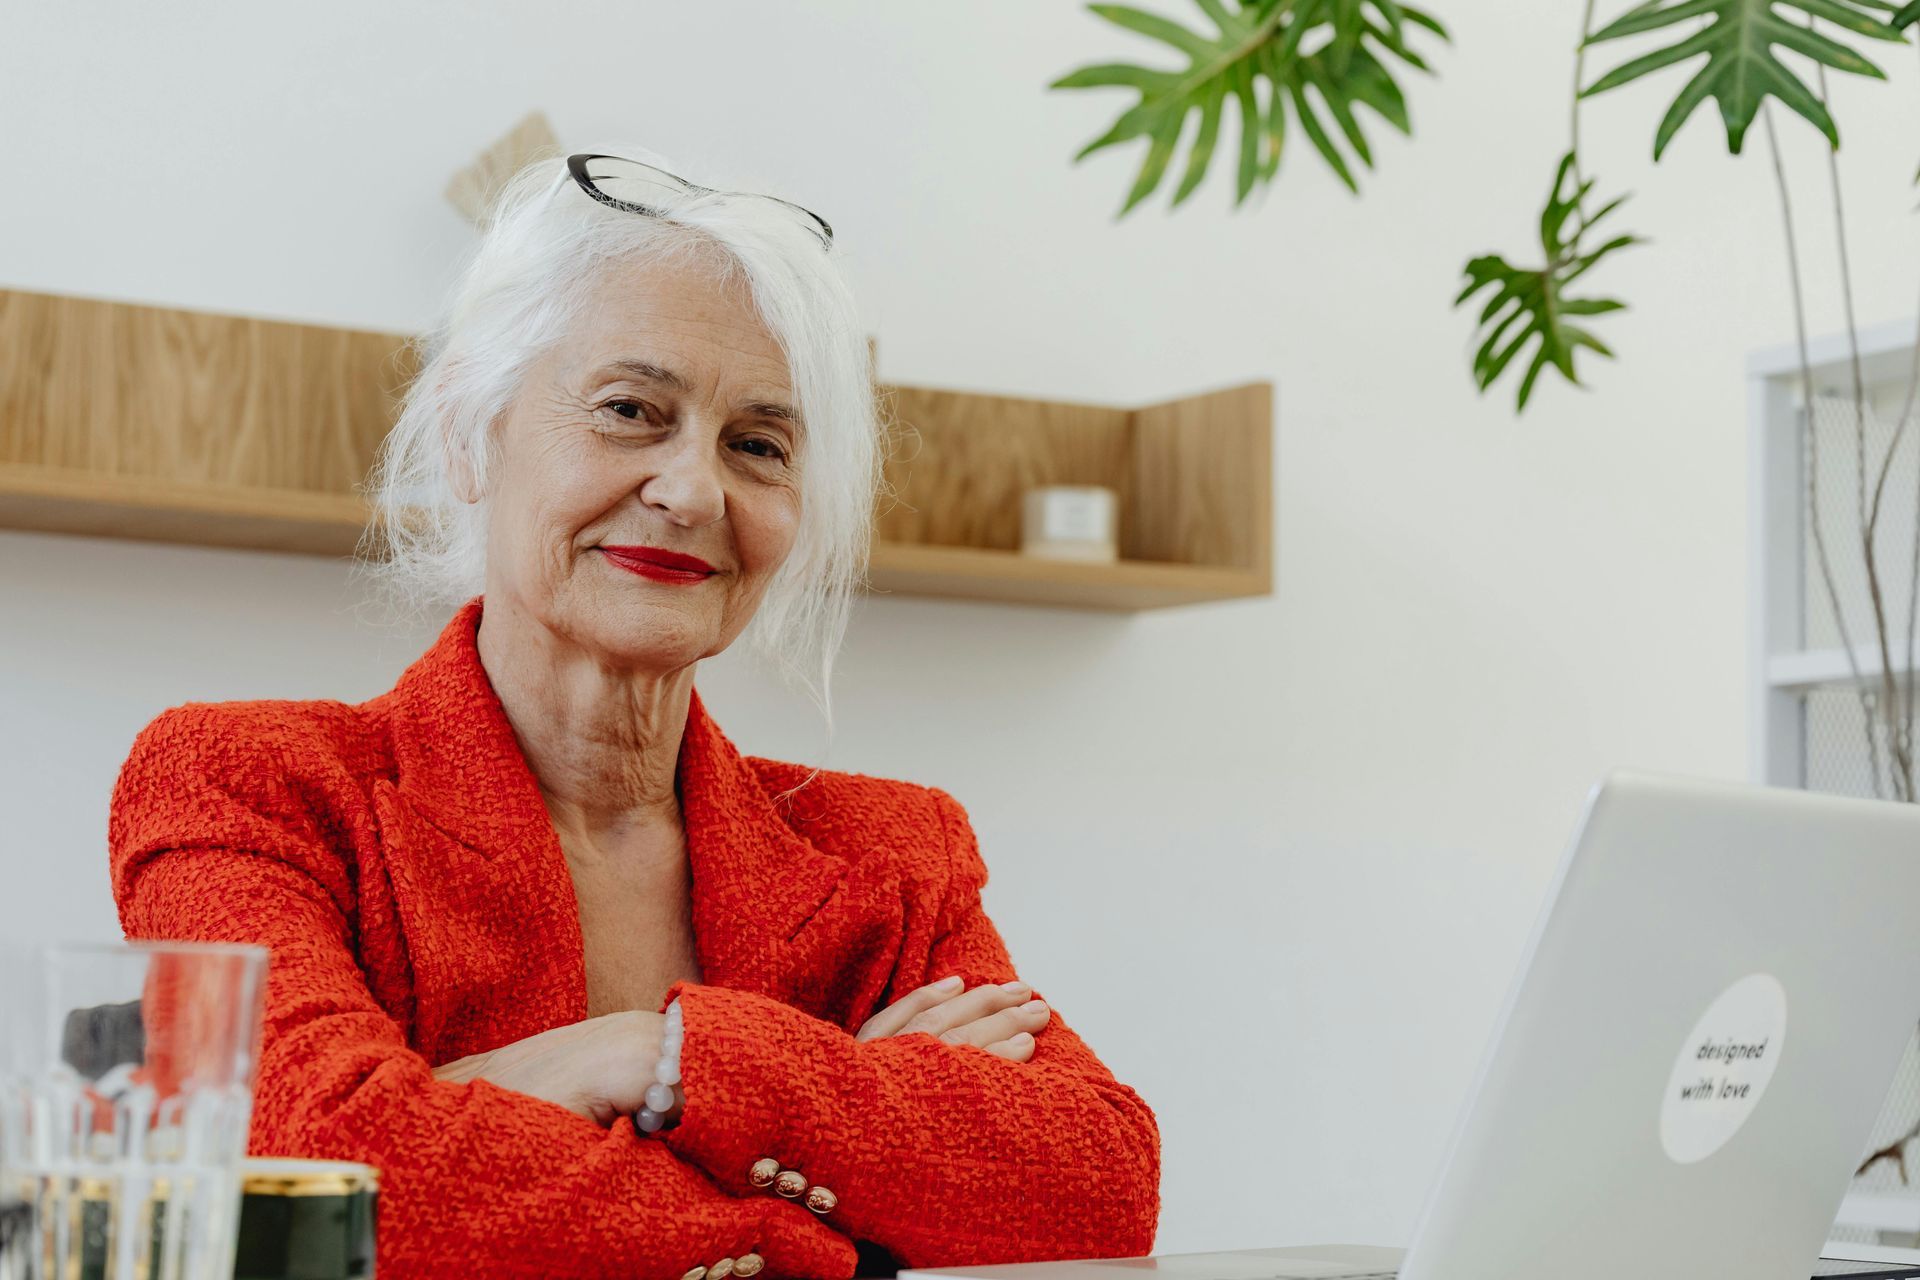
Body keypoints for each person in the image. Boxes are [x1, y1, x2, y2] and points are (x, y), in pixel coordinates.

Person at [107, 150, 1159, 1280]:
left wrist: (656, 1057)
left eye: (759, 444)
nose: (695, 490)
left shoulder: (895, 850)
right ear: (472, 432)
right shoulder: (244, 779)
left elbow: (1100, 1184)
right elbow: (317, 1176)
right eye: (628, 410)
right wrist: (830, 1202)